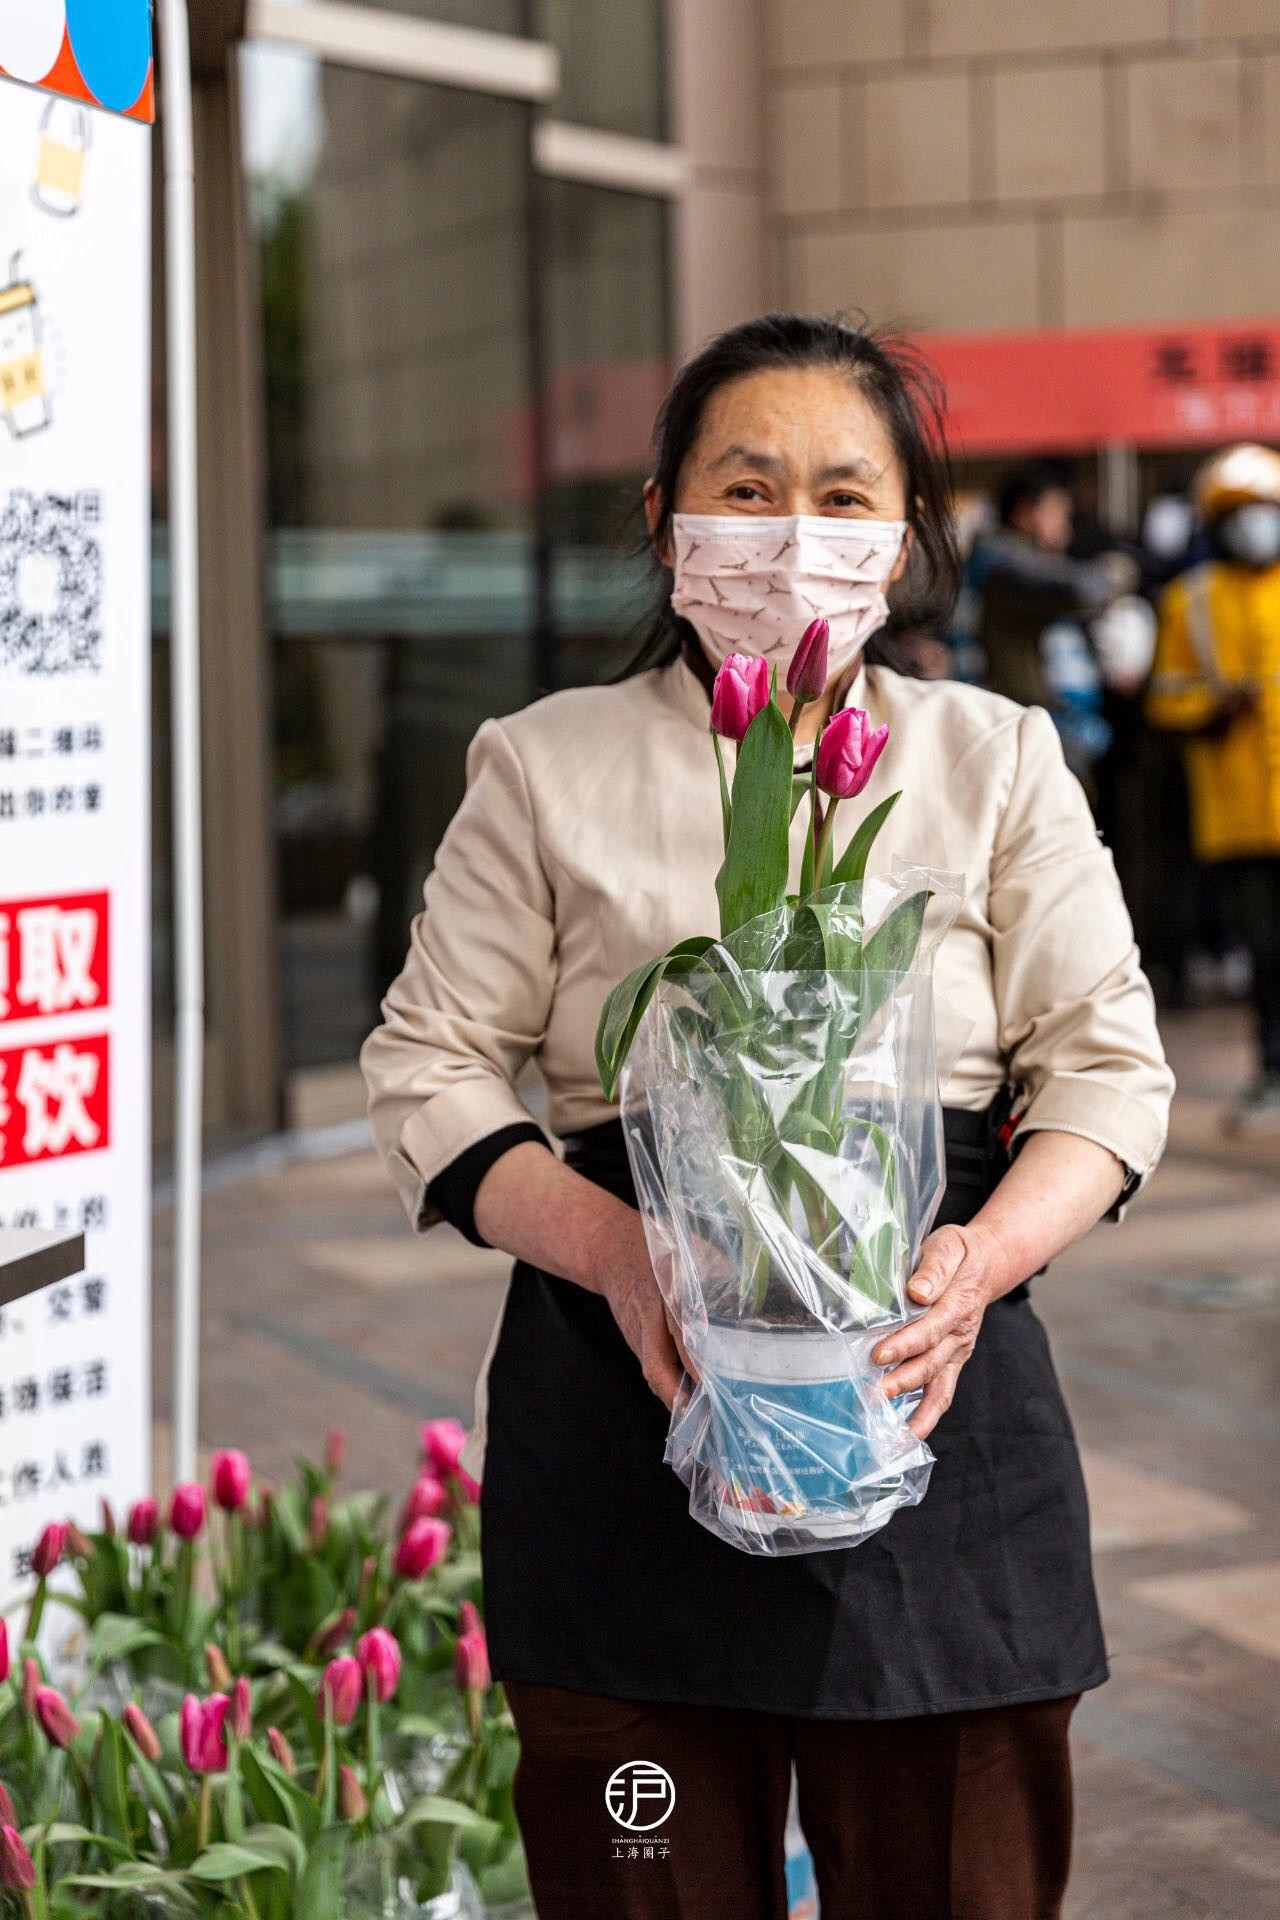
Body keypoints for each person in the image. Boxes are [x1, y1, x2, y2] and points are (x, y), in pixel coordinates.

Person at [361, 315, 1174, 1920]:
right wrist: (619, 1255)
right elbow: (430, 1063)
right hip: (626, 1401)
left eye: (846, 493)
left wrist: (978, 1267)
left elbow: (1108, 1069)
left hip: (931, 1385)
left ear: (906, 535)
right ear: (665, 517)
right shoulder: (543, 763)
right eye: (748, 485)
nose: (796, 533)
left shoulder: (990, 756)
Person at [1148, 443, 1280, 1131]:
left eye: (1264, 512)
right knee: (1266, 955)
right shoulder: (1188, 600)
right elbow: (1164, 698)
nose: (1254, 525)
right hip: (1236, 813)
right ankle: (1272, 1074)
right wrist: (1211, 710)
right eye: (1240, 515)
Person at [975, 462, 1129, 784]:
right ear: (1024, 513)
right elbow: (1081, 589)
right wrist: (1118, 572)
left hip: (1045, 724)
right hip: (1018, 726)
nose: (1066, 527)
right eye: (1058, 512)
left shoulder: (1026, 562)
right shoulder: (1001, 563)